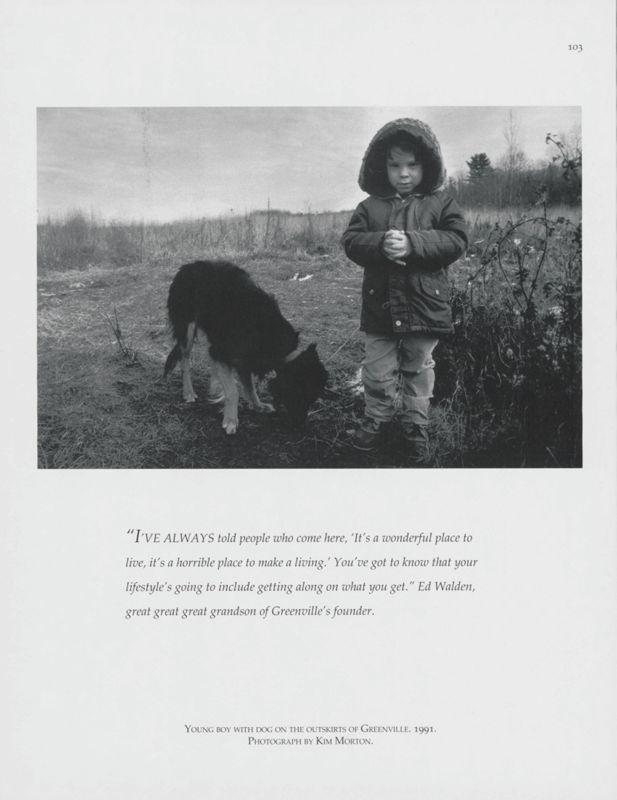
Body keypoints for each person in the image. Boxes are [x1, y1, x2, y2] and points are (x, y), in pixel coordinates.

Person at [342, 118, 468, 463]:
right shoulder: (369, 207)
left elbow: (456, 240)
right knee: (377, 370)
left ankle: (416, 425)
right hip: (380, 308)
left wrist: (413, 244)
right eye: (395, 165)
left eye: (412, 164)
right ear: (381, 166)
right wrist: (380, 243)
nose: (404, 173)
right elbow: (351, 241)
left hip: (424, 306)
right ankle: (376, 419)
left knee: (418, 368)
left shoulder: (441, 203)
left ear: (427, 165)